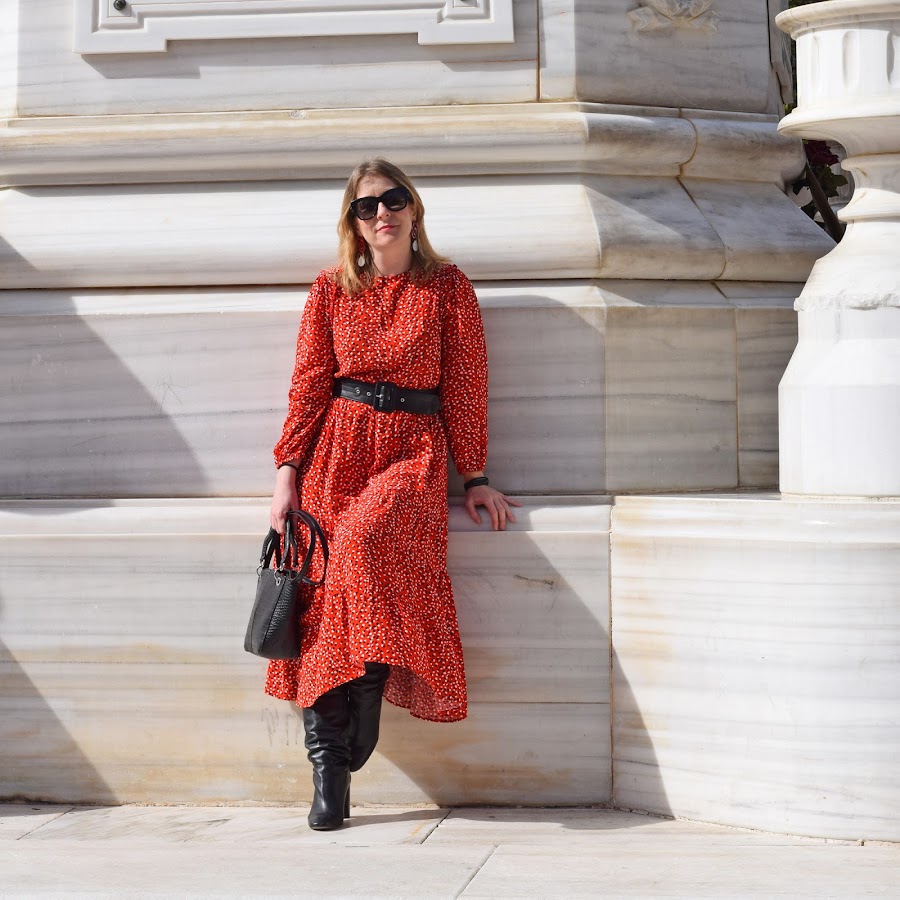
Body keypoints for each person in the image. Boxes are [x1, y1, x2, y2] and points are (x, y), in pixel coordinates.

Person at [266, 158, 520, 831]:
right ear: (352, 223)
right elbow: (309, 383)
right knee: (324, 591)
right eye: (366, 206)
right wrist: (288, 470)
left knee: (360, 543)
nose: (382, 213)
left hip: (411, 451)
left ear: (415, 209)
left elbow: (466, 387)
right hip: (337, 451)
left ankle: (368, 691)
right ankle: (329, 768)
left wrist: (476, 474)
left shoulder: (447, 289)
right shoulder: (330, 290)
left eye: (394, 199)